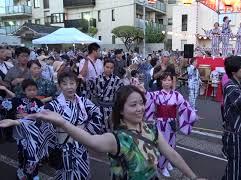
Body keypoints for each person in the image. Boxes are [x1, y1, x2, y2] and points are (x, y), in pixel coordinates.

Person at [2, 85, 207, 180]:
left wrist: (193, 177)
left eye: (141, 104)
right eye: (133, 105)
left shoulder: (151, 128)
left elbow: (171, 153)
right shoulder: (116, 138)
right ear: (120, 110)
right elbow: (91, 141)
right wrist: (63, 123)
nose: (139, 109)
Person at [44, 70, 105, 179]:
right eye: (65, 84)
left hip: (81, 146)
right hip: (63, 148)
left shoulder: (83, 101)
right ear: (59, 86)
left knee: (82, 174)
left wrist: (86, 133)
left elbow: (98, 113)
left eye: (72, 83)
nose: (69, 87)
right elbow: (42, 120)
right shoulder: (54, 105)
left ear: (77, 84)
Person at [145, 72, 197, 177]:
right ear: (161, 82)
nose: (167, 82)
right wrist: (141, 90)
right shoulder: (157, 94)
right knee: (161, 145)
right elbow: (147, 96)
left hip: (171, 123)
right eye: (164, 80)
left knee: (171, 144)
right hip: (160, 123)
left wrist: (192, 114)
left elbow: (185, 106)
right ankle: (162, 166)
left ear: (172, 82)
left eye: (169, 80)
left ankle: (167, 162)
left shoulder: (177, 95)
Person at [1, 79, 55, 180]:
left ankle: (33, 174)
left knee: (34, 154)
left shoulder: (38, 102)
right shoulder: (17, 101)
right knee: (23, 154)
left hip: (35, 133)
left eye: (34, 90)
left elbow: (42, 116)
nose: (32, 92)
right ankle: (22, 173)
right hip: (21, 133)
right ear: (24, 91)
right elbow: (5, 105)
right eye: (29, 90)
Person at [86, 58, 123, 131]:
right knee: (99, 128)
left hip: (111, 109)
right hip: (99, 108)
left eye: (111, 68)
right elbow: (91, 92)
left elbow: (121, 95)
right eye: (107, 67)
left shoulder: (117, 80)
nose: (109, 69)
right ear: (104, 67)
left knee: (111, 128)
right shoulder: (96, 79)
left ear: (113, 69)